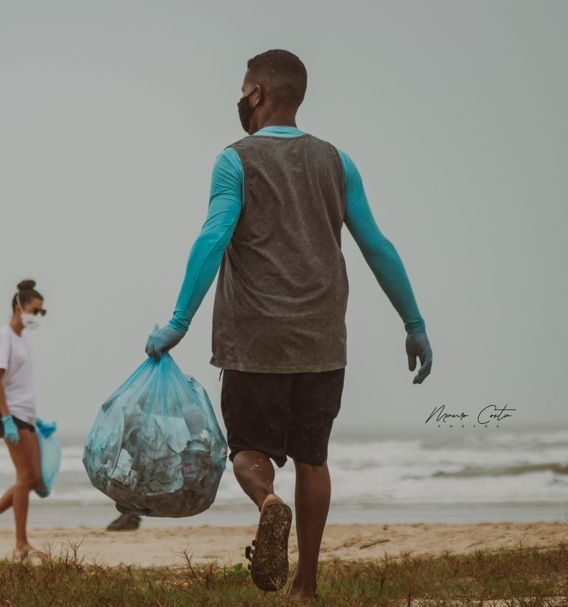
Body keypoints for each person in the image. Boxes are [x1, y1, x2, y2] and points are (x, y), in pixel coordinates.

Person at [144, 50, 433, 601]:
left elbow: (213, 238)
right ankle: (306, 584)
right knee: (313, 457)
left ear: (256, 94)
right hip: (323, 340)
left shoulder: (234, 161)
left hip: (253, 339)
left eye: (243, 88)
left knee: (248, 448)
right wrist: (413, 322)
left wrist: (179, 321)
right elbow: (376, 245)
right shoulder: (336, 162)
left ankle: (267, 504)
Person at [0, 280, 49, 560]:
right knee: (25, 478)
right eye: (33, 310)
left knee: (35, 479)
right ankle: (21, 544)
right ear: (19, 306)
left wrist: (36, 422)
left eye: (41, 313)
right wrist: (7, 419)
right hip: (9, 413)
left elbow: (22, 382)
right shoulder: (4, 336)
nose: (36, 317)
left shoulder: (22, 337)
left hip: (25, 414)